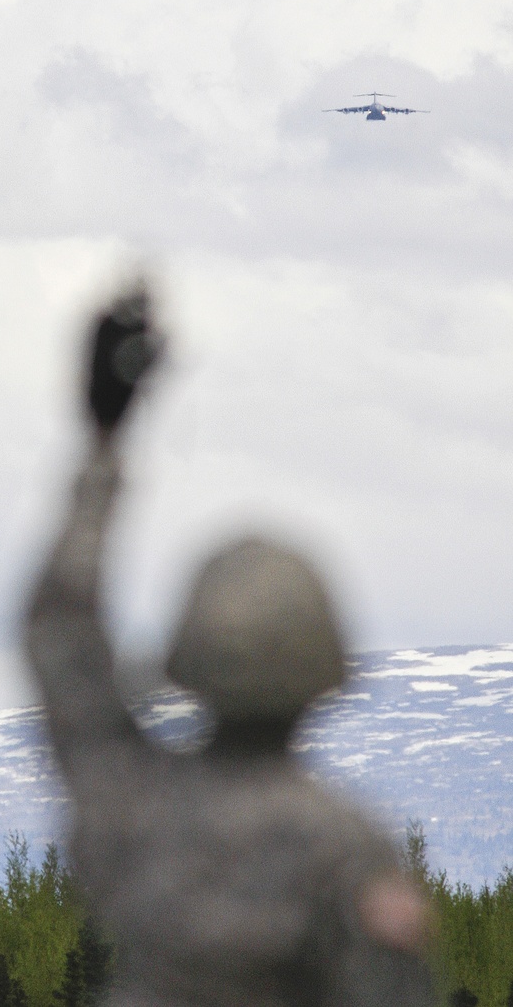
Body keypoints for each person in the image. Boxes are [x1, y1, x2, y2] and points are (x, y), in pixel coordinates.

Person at [24, 286, 434, 1007]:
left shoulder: (133, 800)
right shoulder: (343, 847)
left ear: (190, 656)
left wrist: (103, 442)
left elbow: (62, 636)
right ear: (323, 670)